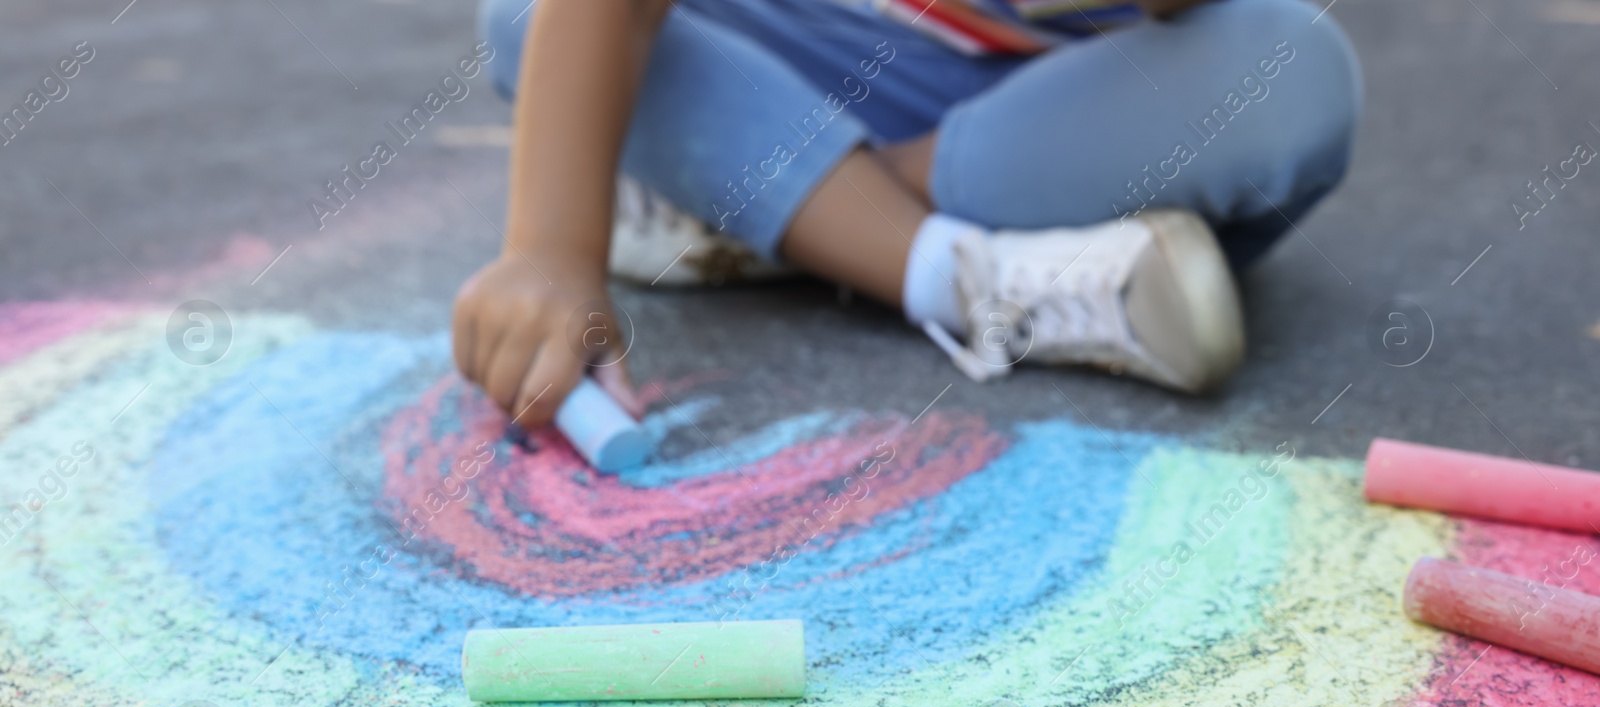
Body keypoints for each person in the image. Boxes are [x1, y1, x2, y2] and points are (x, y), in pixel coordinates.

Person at [452, 0, 1360, 428]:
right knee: (531, 21)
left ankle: (781, 212)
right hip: (826, 50)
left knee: (1294, 76)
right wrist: (547, 250)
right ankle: (968, 281)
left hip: (1050, 103)